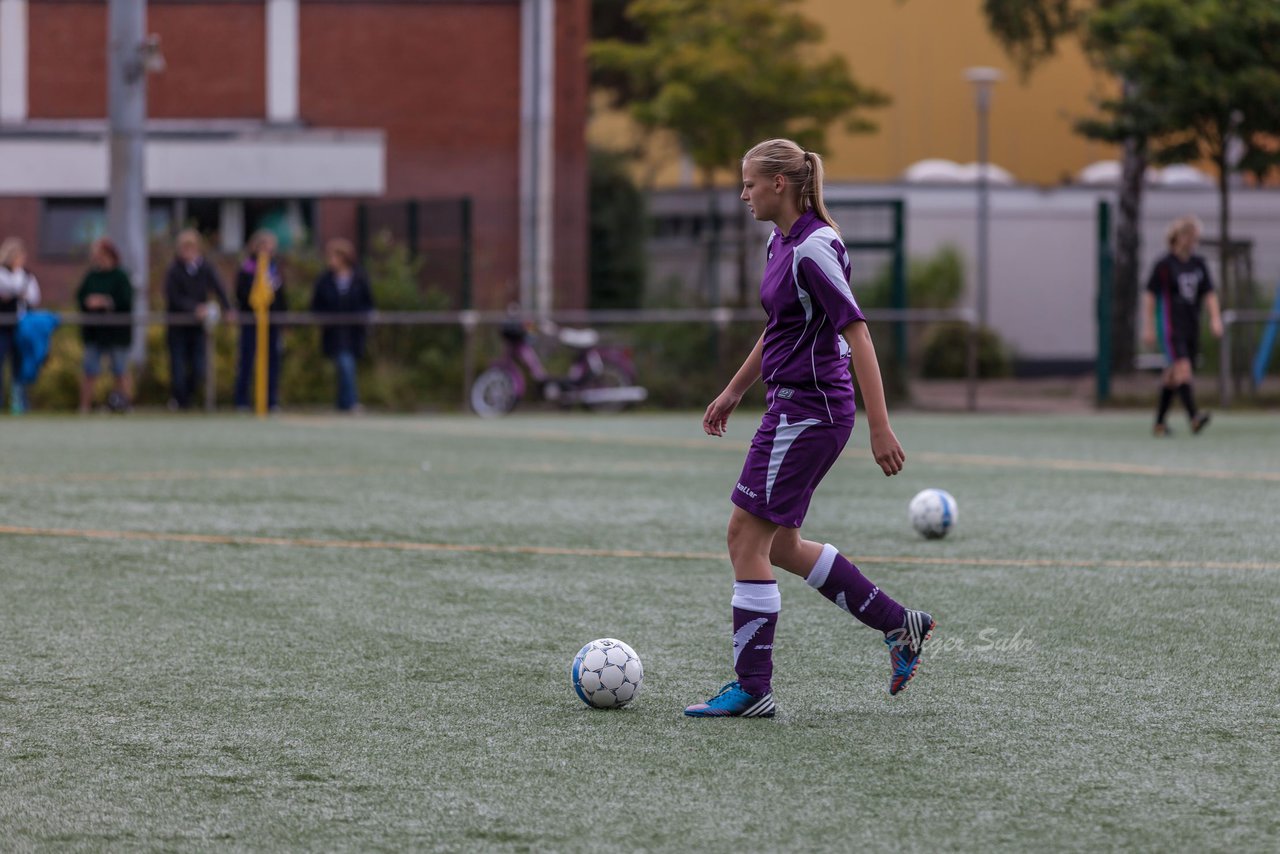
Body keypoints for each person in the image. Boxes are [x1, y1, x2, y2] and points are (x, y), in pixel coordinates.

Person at [683, 139, 935, 719]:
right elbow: (779, 330)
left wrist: (880, 427)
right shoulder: (781, 241)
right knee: (782, 545)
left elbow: (858, 334)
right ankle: (900, 625)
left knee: (744, 538)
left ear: (780, 184)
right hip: (792, 407)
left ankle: (753, 688)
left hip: (812, 411)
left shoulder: (814, 249)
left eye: (749, 183)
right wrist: (734, 389)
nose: (743, 193)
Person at [1142, 215, 1223, 437]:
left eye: (1195, 237)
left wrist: (1215, 318)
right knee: (1183, 369)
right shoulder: (1164, 265)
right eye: (1189, 236)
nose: (1193, 241)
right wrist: (1148, 326)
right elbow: (1150, 296)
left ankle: (1159, 424)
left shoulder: (1199, 264)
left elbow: (1209, 293)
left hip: (1191, 325)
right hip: (1171, 326)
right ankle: (1194, 417)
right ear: (1178, 237)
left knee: (1172, 375)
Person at [163, 229, 231, 410]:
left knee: (199, 367)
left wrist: (227, 308)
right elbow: (173, 297)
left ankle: (188, 398)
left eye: (191, 248)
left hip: (198, 327)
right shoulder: (174, 271)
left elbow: (219, 287)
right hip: (178, 326)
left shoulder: (205, 267)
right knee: (177, 367)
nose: (188, 252)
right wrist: (194, 308)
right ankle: (179, 400)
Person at [310, 238, 374, 412]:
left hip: (354, 330)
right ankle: (350, 402)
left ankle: (344, 403)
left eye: (334, 257)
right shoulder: (324, 280)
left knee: (346, 364)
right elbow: (316, 305)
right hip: (334, 330)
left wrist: (364, 319)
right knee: (344, 364)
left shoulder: (359, 277)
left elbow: (368, 302)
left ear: (343, 258)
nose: (330, 260)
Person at [75, 237, 134, 414]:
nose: (96, 258)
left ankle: (126, 405)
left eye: (100, 254)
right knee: (89, 370)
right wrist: (89, 302)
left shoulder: (121, 276)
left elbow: (127, 301)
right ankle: (84, 407)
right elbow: (80, 297)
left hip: (117, 333)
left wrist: (107, 302)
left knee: (120, 370)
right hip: (94, 332)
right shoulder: (91, 276)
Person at [234, 230, 287, 411]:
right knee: (247, 361)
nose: (266, 250)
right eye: (262, 245)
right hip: (251, 322)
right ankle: (242, 401)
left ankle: (271, 401)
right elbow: (240, 295)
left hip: (272, 323)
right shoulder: (247, 269)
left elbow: (281, 298)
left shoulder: (275, 270)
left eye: (269, 246)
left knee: (273, 363)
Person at [0, 237, 42, 414]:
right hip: (2, 327)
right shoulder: (2, 272)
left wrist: (19, 294)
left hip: (21, 327)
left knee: (20, 365)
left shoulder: (27, 275)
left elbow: (34, 297)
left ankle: (20, 404)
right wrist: (17, 293)